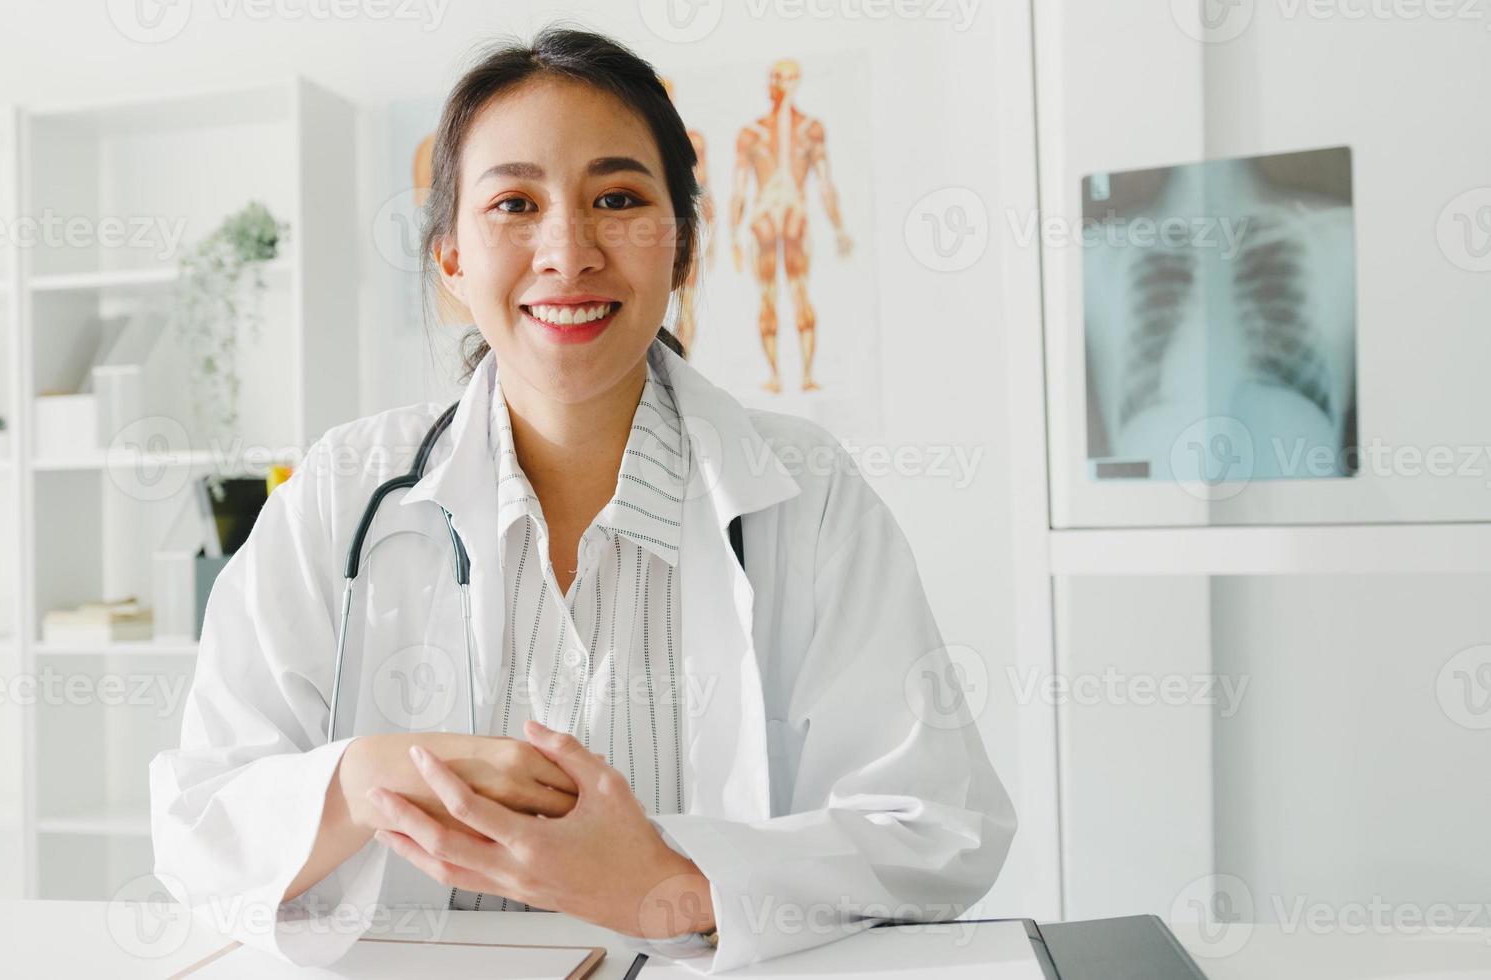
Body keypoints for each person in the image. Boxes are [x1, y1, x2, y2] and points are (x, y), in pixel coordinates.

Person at [150, 25, 1015, 973]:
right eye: (514, 203)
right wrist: (357, 783)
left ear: (681, 248)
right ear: (448, 263)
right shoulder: (339, 495)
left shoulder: (807, 495)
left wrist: (672, 883)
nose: (567, 250)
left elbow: (937, 831)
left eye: (617, 198)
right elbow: (197, 829)